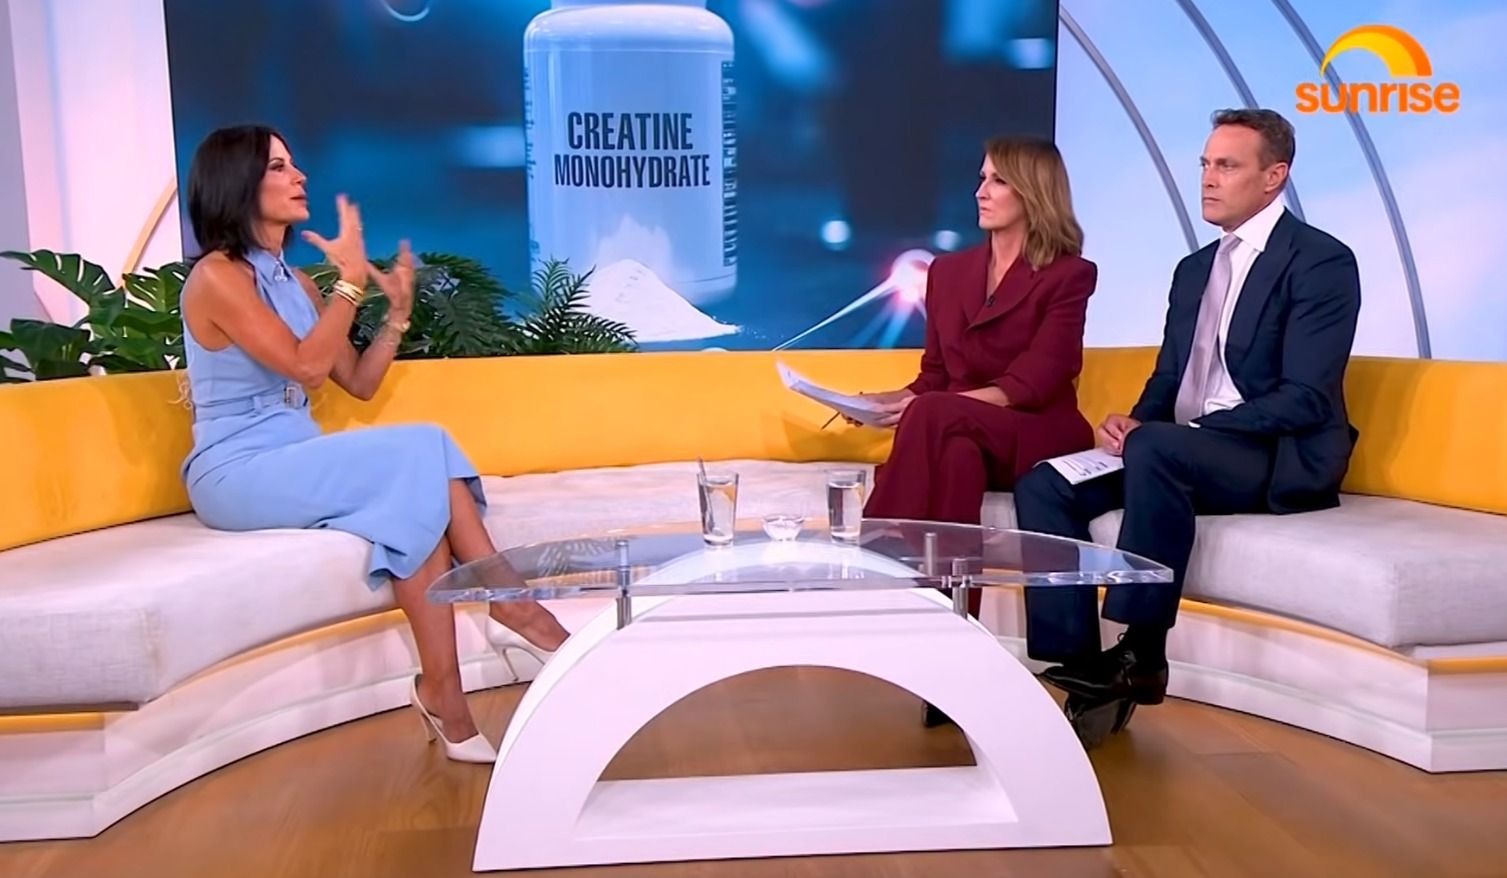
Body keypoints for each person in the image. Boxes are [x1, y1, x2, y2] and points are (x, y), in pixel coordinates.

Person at [178, 125, 568, 764]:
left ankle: (445, 695)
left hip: (293, 452)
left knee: (414, 504)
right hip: (237, 469)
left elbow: (356, 382)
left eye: (295, 162)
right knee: (425, 451)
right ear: (237, 183)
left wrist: (397, 315)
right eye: (278, 166)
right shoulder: (216, 278)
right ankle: (518, 611)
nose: (299, 176)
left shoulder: (301, 285)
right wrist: (351, 283)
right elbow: (306, 368)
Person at [1016, 108, 1361, 736]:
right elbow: (1171, 377)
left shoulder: (1319, 262)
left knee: (1158, 449)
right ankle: (1080, 661)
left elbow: (1307, 397)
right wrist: (1134, 422)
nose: (1207, 178)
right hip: (1176, 449)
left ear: (1274, 177)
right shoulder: (1194, 269)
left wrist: (1185, 435)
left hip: (1272, 452)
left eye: (1226, 165)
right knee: (1045, 483)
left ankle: (1143, 652)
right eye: (1205, 164)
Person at [861, 136, 1098, 528]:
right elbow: (935, 376)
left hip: (1034, 429)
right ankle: (953, 571)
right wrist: (882, 401)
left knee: (934, 413)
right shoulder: (946, 272)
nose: (980, 192)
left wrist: (935, 406)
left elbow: (1034, 383)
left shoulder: (1069, 275)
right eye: (982, 178)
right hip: (962, 428)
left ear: (1033, 192)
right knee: (958, 455)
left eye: (998, 181)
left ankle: (876, 546)